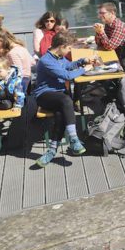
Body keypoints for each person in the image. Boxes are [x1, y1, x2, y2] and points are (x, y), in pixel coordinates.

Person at [33, 31, 97, 167]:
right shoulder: (46, 61)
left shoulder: (59, 57)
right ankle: (74, 139)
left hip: (59, 96)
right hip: (45, 95)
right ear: (61, 46)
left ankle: (51, 151)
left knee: (61, 113)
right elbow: (67, 75)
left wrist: (82, 61)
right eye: (68, 48)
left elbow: (68, 66)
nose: (69, 50)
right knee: (67, 101)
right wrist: (85, 69)